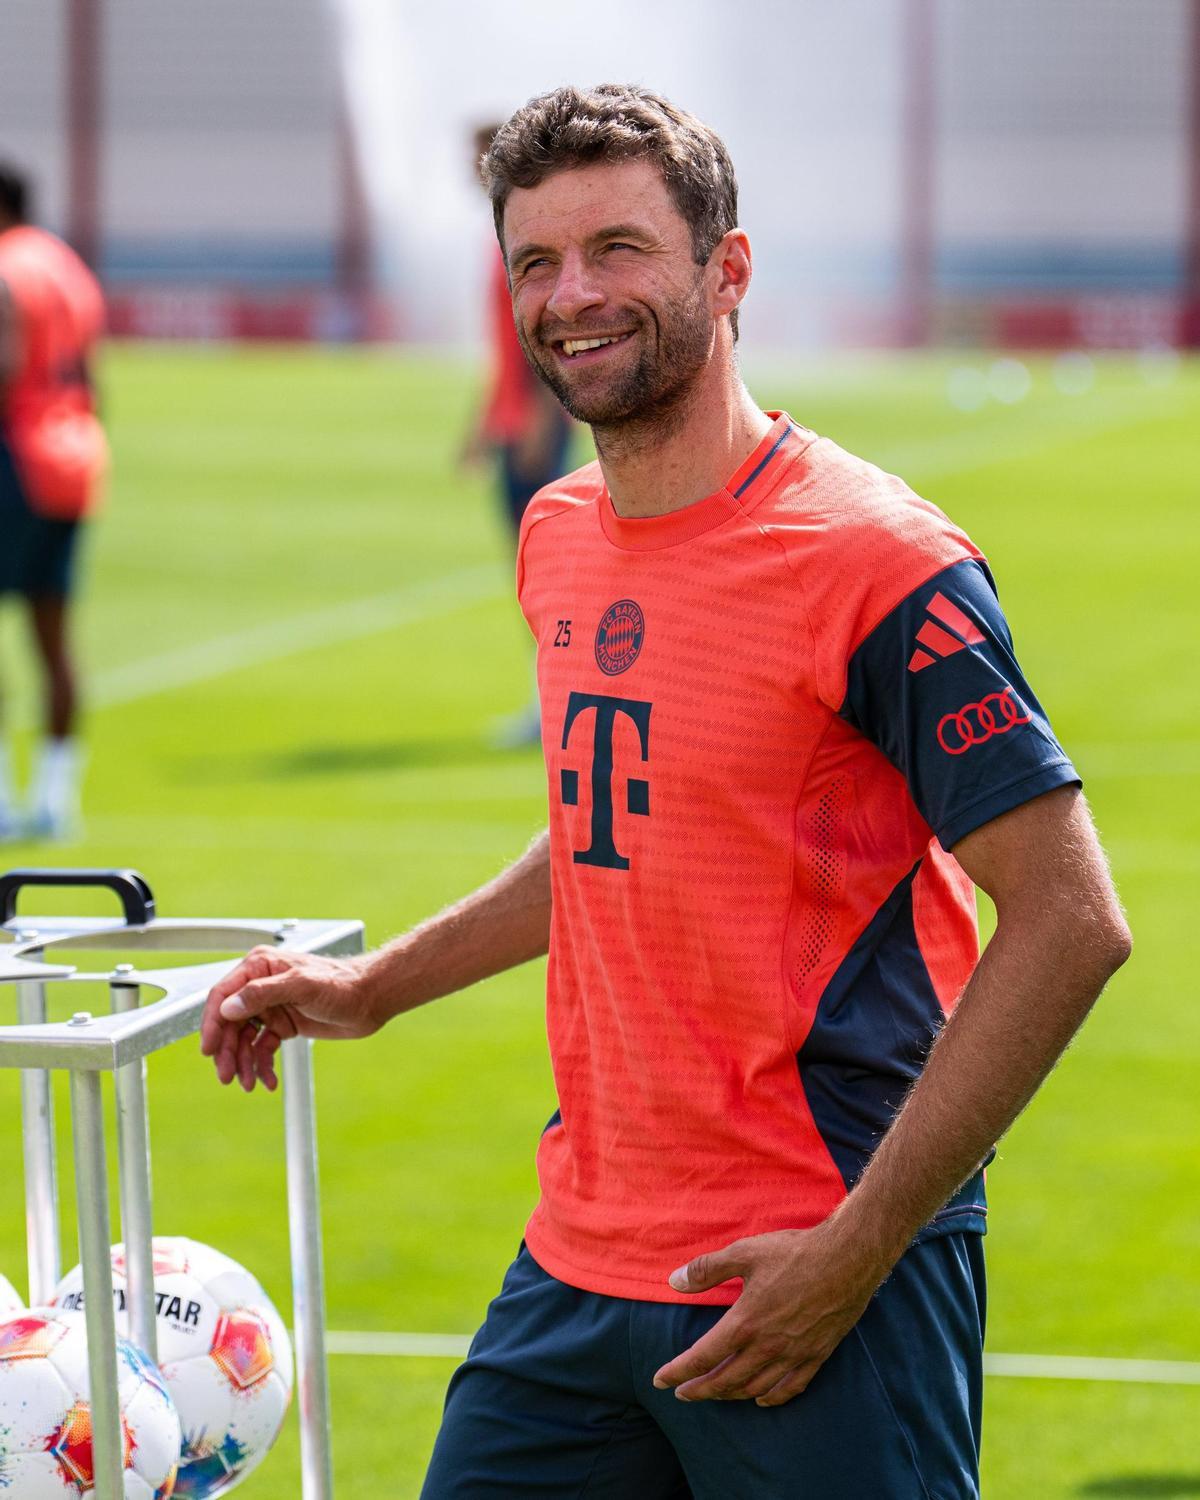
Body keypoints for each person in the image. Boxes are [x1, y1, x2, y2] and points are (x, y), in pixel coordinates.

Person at [200, 85, 1131, 1499]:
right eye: (533, 261)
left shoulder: (878, 561)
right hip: (574, 1270)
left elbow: (1071, 918)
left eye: (618, 249)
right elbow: (608, 829)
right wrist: (374, 988)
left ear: (727, 270)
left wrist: (858, 1253)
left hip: (809, 1277)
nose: (572, 295)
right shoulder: (561, 533)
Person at [0, 161, 107, 841]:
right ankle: (55, 796)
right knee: (54, 638)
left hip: (13, 454)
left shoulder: (8, 267)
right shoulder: (66, 265)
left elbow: (7, 363)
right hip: (72, 455)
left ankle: (7, 802)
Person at [461, 122, 574, 748]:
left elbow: (541, 335)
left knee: (545, 574)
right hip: (512, 421)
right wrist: (481, 423)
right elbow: (503, 348)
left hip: (532, 424)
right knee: (528, 569)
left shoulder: (523, 238)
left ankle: (557, 704)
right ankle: (547, 700)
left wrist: (537, 414)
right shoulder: (499, 239)